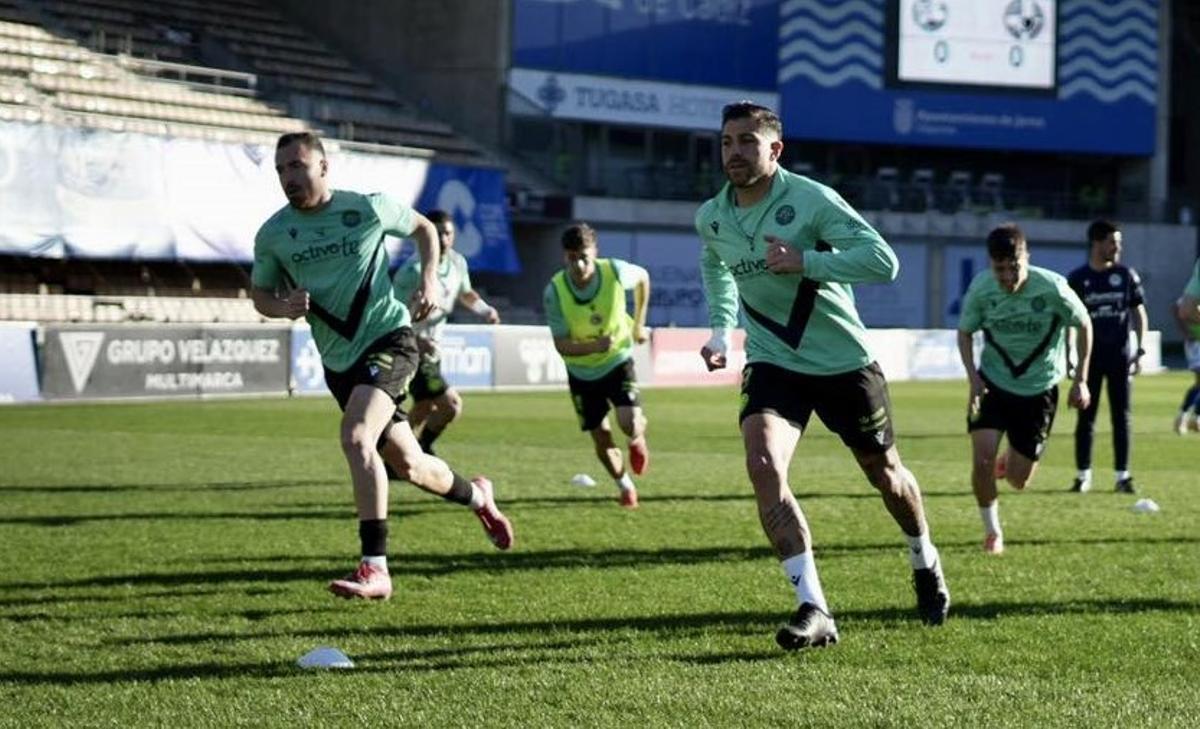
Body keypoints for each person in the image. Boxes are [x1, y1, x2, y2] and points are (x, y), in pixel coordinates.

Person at [696, 101, 949, 652]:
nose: (734, 152)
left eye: (746, 141)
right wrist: (721, 329)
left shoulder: (810, 199)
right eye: (726, 142)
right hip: (772, 360)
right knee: (763, 463)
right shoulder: (711, 215)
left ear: (774, 149)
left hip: (843, 363)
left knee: (887, 476)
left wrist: (807, 261)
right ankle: (814, 606)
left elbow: (883, 262)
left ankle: (923, 556)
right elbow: (716, 265)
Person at [251, 132, 513, 602]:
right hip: (338, 362)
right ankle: (479, 497)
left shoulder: (366, 209)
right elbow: (261, 296)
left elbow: (424, 231)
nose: (289, 177)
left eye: (297, 165)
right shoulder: (273, 235)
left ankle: (375, 567)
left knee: (356, 437)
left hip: (390, 337)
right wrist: (283, 305)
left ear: (324, 167)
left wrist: (429, 277)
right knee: (410, 465)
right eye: (281, 170)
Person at [957, 224, 1092, 555]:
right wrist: (974, 378)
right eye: (999, 268)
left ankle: (1010, 462)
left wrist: (1081, 379)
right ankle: (992, 531)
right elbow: (964, 333)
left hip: (1039, 389)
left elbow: (1084, 323)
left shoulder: (1052, 288)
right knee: (982, 459)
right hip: (993, 384)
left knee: (1018, 481)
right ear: (990, 264)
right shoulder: (981, 289)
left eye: (1014, 266)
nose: (1007, 276)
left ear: (1026, 258)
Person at [543, 223, 651, 509]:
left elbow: (643, 279)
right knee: (601, 436)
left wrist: (638, 325)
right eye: (572, 258)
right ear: (564, 256)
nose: (579, 265)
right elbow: (561, 344)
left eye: (585, 257)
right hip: (581, 373)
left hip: (617, 360)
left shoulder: (614, 270)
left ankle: (637, 439)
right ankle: (624, 485)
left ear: (596, 253)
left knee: (629, 424)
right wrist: (594, 346)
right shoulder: (554, 291)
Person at [392, 209, 501, 456]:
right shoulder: (412, 271)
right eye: (438, 233)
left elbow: (465, 292)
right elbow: (394, 314)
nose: (443, 239)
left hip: (432, 351)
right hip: (412, 349)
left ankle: (398, 457)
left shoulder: (457, 262)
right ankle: (420, 448)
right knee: (450, 405)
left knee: (423, 407)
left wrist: (484, 310)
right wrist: (416, 341)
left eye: (448, 234)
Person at [1066, 220, 1148, 493]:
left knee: (1121, 418)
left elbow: (1138, 313)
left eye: (1119, 242)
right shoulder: (1078, 278)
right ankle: (1082, 476)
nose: (1118, 247)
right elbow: (1069, 320)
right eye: (1113, 242)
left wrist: (1141, 348)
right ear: (1097, 243)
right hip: (1089, 360)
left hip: (1120, 358)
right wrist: (1069, 355)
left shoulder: (1126, 275)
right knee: (1085, 417)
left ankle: (1122, 477)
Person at [1173, 257, 1200, 433]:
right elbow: (1178, 309)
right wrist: (1186, 333)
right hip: (1196, 341)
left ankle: (1194, 418)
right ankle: (1184, 416)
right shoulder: (1192, 291)